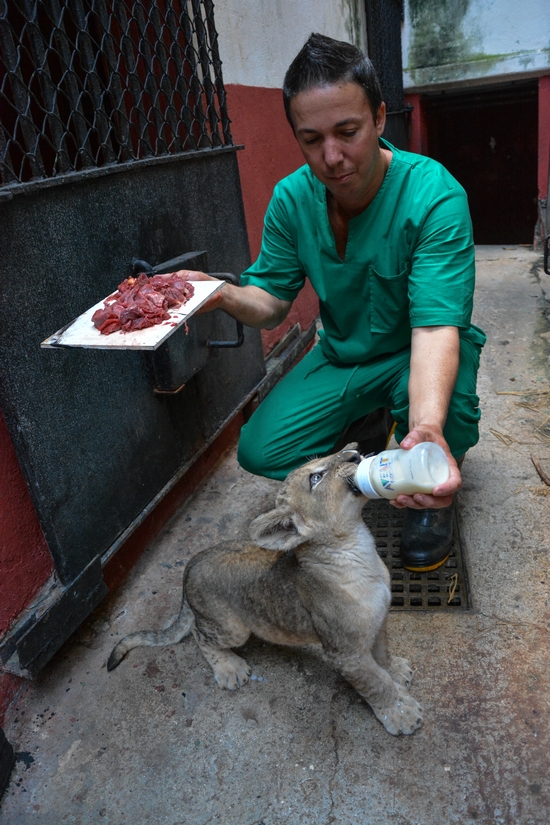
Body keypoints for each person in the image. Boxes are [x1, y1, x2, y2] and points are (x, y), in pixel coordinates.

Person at [180, 33, 486, 572]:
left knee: (446, 398)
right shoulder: (292, 198)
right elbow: (271, 302)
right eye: (311, 139)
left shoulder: (434, 195)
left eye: (348, 132)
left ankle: (430, 486)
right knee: (260, 450)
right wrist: (221, 294)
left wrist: (429, 430)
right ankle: (370, 437)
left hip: (413, 349)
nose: (332, 157)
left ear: (379, 117)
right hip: (342, 354)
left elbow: (436, 328)